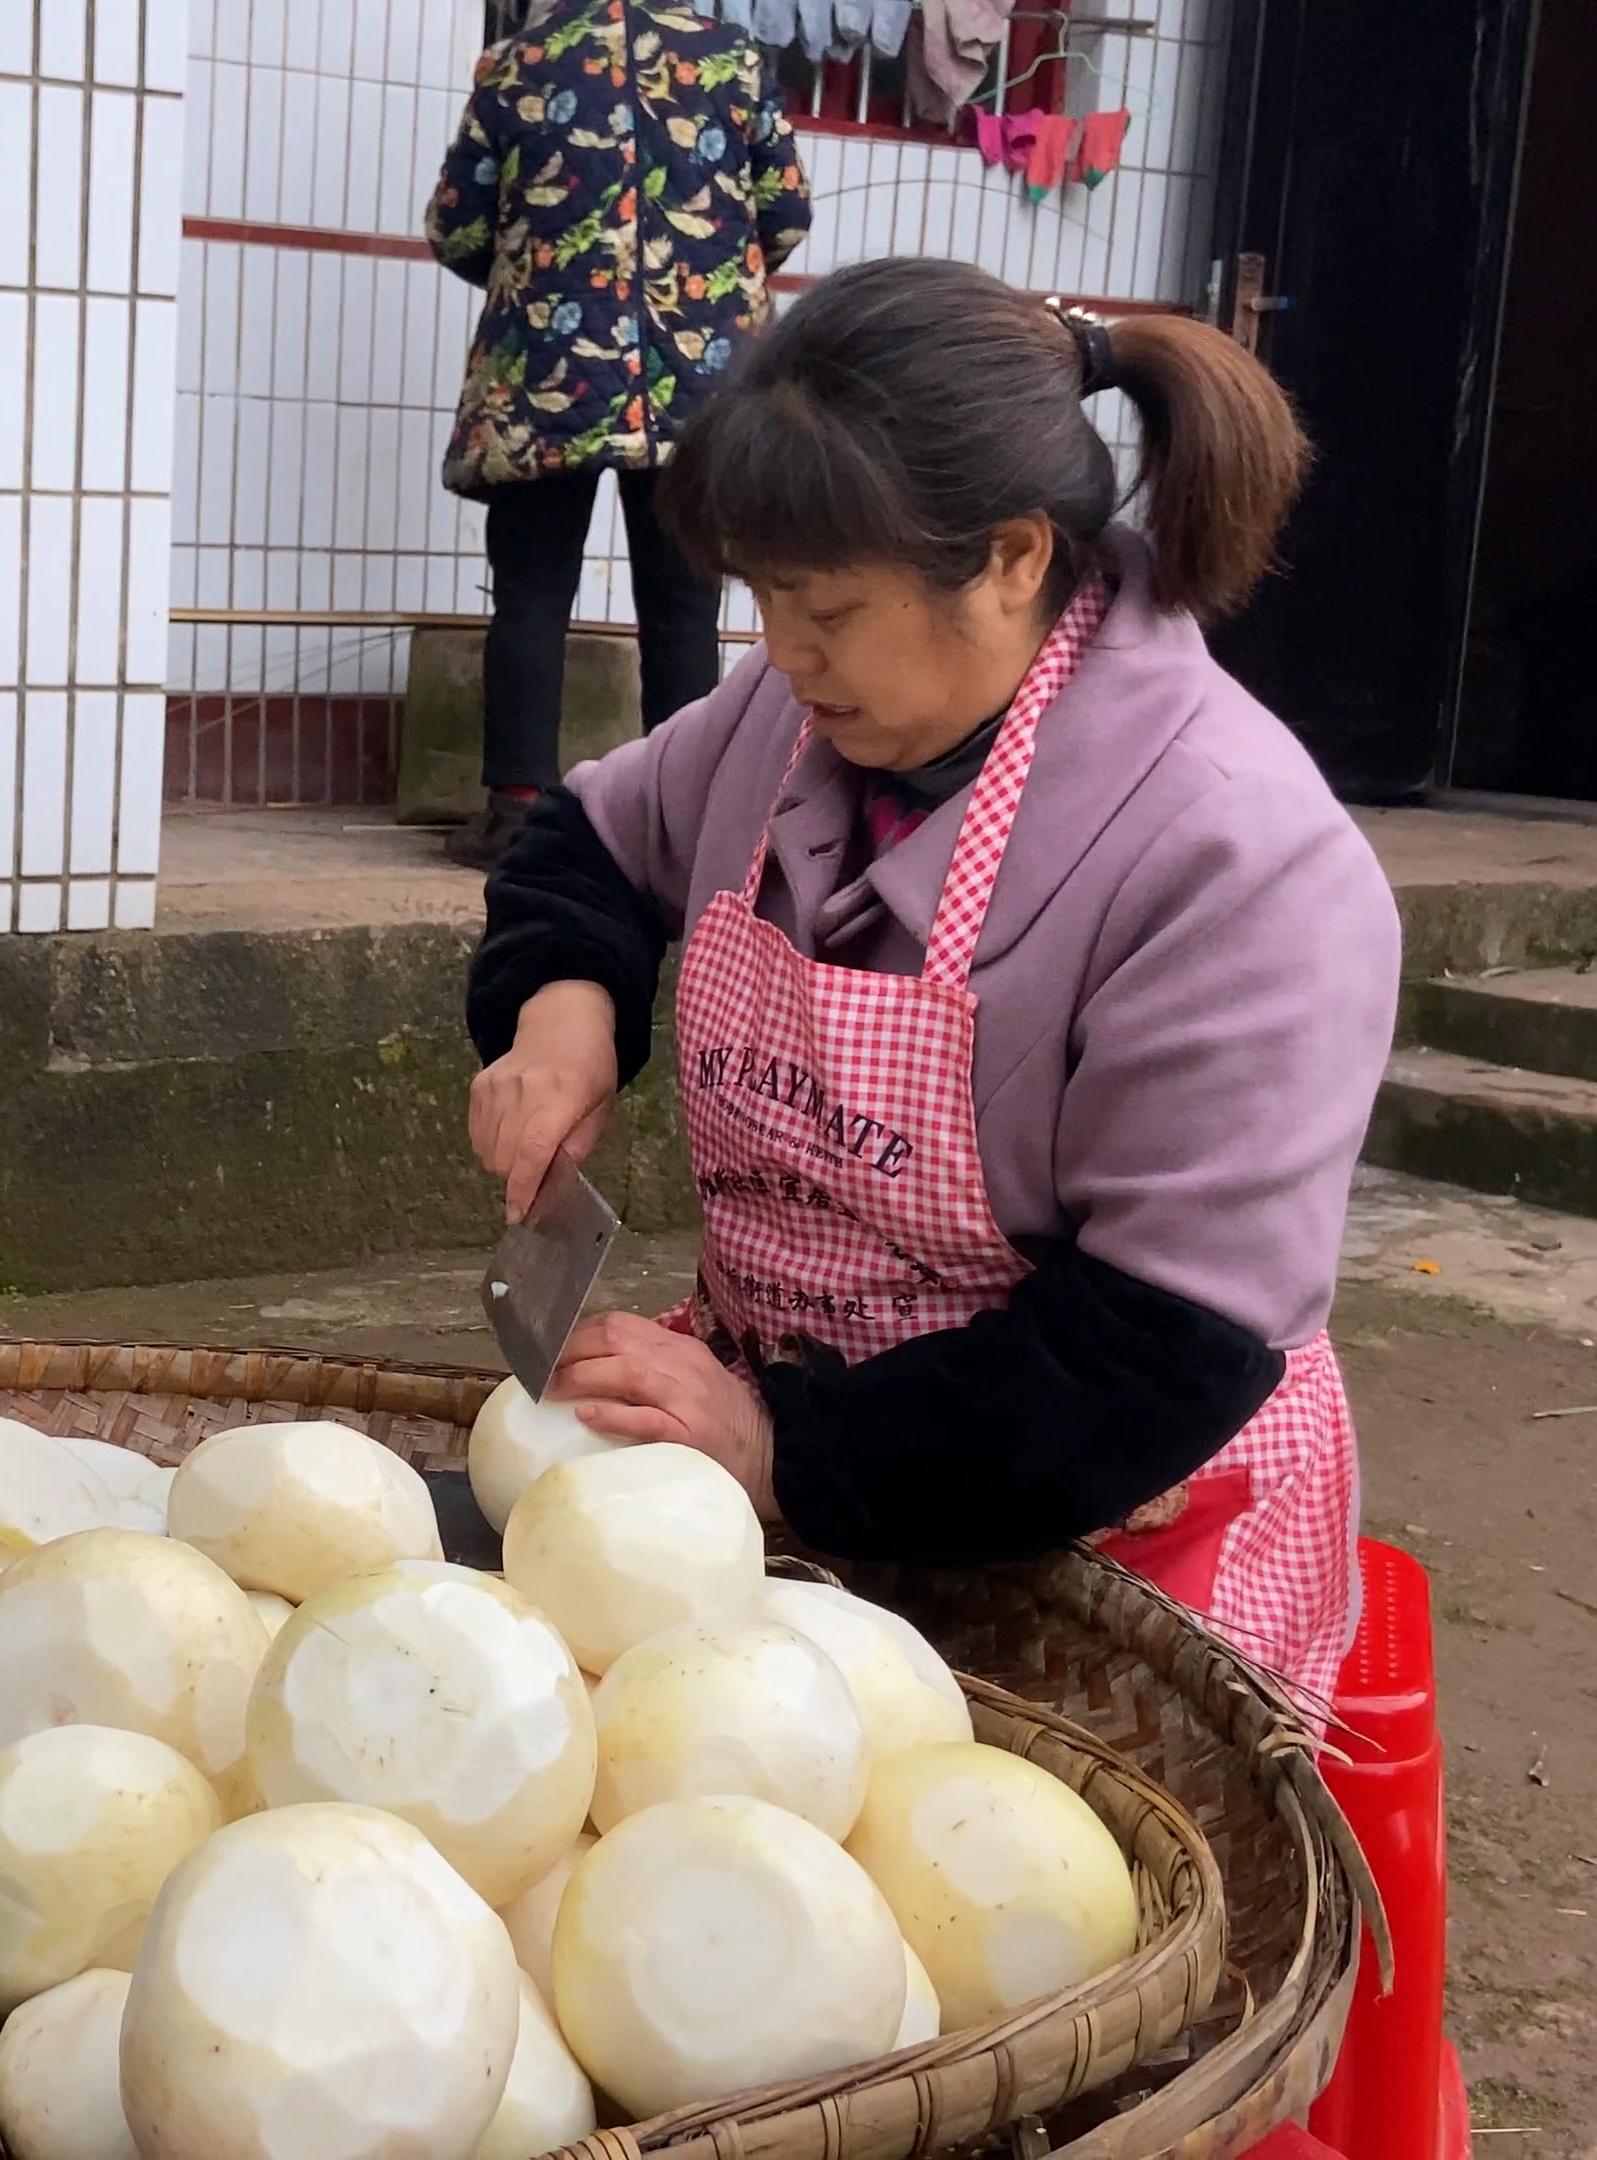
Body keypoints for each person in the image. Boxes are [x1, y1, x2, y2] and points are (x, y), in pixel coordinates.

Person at [465, 258, 1398, 1700]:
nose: (783, 653)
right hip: (782, 1451)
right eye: (764, 599)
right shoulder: (782, 723)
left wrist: (785, 1450)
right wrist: (564, 1011)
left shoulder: (1236, 860)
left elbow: (1157, 1349)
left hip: (1088, 1520)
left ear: (1016, 557)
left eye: (828, 607)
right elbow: (587, 841)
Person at [425, 0, 812, 870]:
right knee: (683, 601)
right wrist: (709, 280)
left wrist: (542, 270)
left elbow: (459, 226)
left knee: (530, 588)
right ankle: (682, 819)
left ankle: (516, 811)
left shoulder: (518, 64)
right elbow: (784, 217)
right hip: (699, 381)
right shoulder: (733, 62)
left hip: (546, 372)